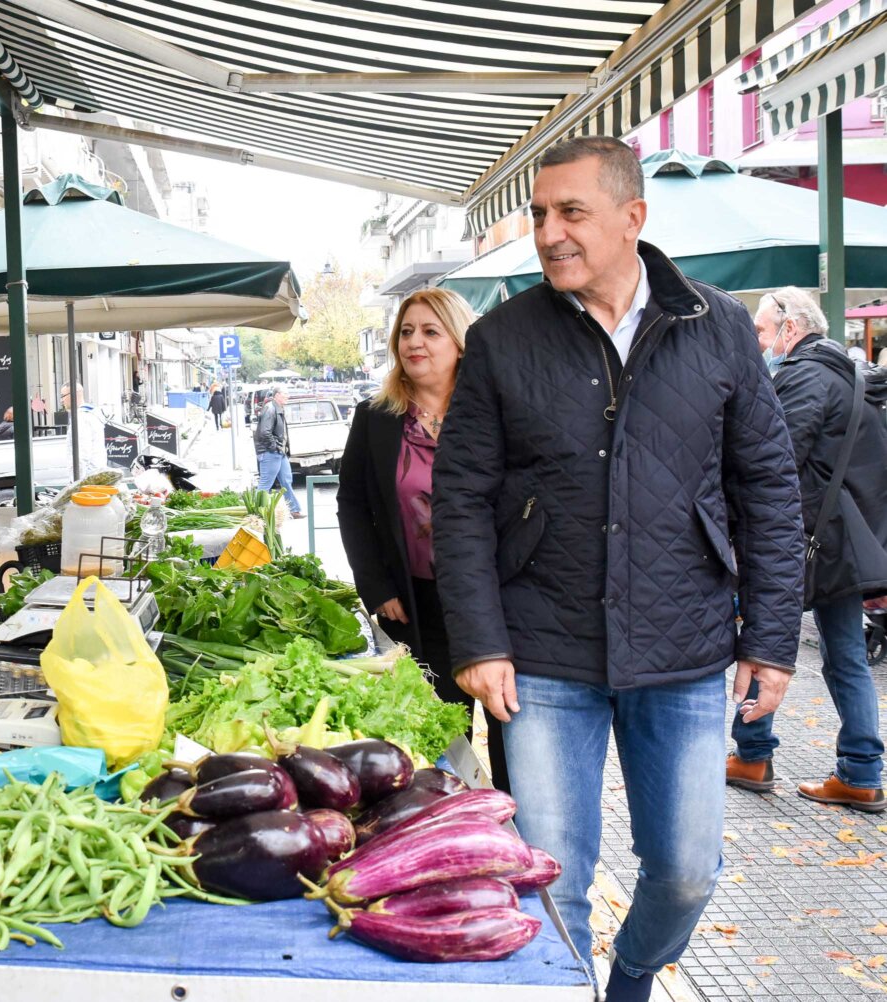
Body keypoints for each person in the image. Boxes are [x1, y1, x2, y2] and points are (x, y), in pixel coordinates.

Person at [432, 136, 804, 1002]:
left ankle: (632, 975)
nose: (548, 233)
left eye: (571, 212)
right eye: (539, 214)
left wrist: (772, 639)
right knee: (552, 877)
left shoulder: (717, 327)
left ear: (633, 216)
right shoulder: (501, 339)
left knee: (686, 870)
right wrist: (478, 641)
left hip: (685, 645)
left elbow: (768, 487)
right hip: (543, 650)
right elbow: (460, 499)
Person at [336, 287, 508, 793]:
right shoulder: (376, 417)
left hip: (496, 599)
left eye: (431, 331)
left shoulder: (495, 410)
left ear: (459, 341)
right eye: (406, 332)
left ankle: (513, 818)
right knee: (439, 738)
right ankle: (444, 819)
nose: (414, 342)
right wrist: (375, 585)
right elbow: (353, 504)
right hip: (415, 602)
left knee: (511, 728)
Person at [727, 287, 887, 812]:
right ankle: (861, 771)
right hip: (840, 542)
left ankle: (753, 755)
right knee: (845, 658)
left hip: (801, 539)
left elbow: (773, 464)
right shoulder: (851, 376)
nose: (758, 341)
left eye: (761, 331)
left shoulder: (804, 376)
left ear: (790, 329)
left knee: (765, 639)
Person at [254, 387, 302, 518]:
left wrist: (280, 449)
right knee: (266, 483)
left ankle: (294, 509)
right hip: (270, 452)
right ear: (277, 395)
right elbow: (265, 432)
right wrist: (274, 447)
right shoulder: (270, 408)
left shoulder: (278, 408)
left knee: (286, 481)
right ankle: (256, 512)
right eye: (285, 394)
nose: (288, 396)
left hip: (279, 452)